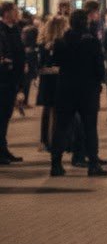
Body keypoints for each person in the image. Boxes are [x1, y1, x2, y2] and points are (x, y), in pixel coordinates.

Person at [50, 9, 106, 177]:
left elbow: (56, 61)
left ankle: (56, 164)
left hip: (65, 89)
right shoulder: (92, 41)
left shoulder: (61, 41)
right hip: (88, 90)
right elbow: (99, 66)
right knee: (90, 127)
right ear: (86, 22)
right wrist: (99, 81)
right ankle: (93, 164)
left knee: (61, 127)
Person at [36, 14, 67, 152]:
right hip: (57, 80)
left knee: (47, 110)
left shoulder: (42, 43)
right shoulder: (62, 43)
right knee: (58, 111)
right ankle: (57, 141)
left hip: (46, 80)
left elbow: (39, 64)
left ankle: (45, 140)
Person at [0, 1, 26, 163]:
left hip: (12, 79)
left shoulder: (14, 29)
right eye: (15, 11)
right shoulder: (1, 30)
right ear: (7, 12)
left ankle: (3, 149)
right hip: (3, 79)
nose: (17, 14)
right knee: (1, 116)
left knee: (6, 116)